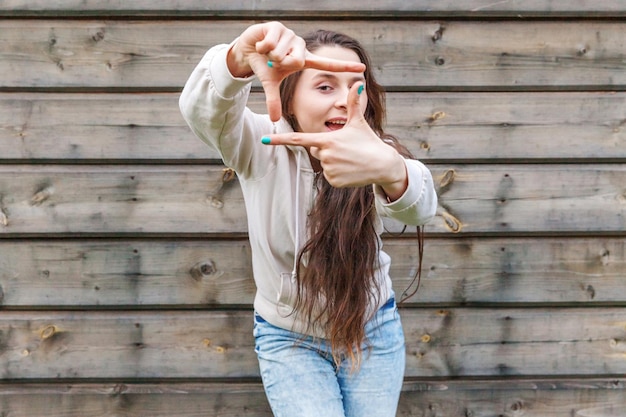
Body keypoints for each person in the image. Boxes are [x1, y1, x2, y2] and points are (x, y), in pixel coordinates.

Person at [179, 21, 437, 417]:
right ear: (291, 97)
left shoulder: (373, 153)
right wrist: (236, 59)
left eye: (354, 87)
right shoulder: (260, 144)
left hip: (373, 329)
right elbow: (202, 112)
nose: (342, 100)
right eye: (323, 86)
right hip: (288, 338)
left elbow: (420, 208)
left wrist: (392, 170)